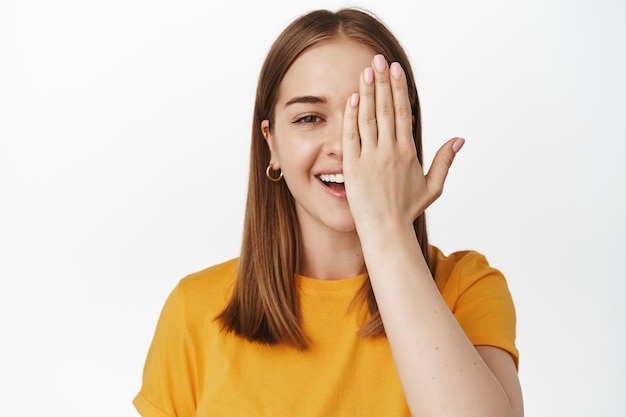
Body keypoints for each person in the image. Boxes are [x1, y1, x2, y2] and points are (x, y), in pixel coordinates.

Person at [133, 7, 523, 417]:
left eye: (368, 116)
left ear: (405, 131)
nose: (344, 145)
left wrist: (388, 229)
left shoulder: (466, 287)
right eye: (309, 117)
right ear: (272, 144)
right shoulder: (192, 310)